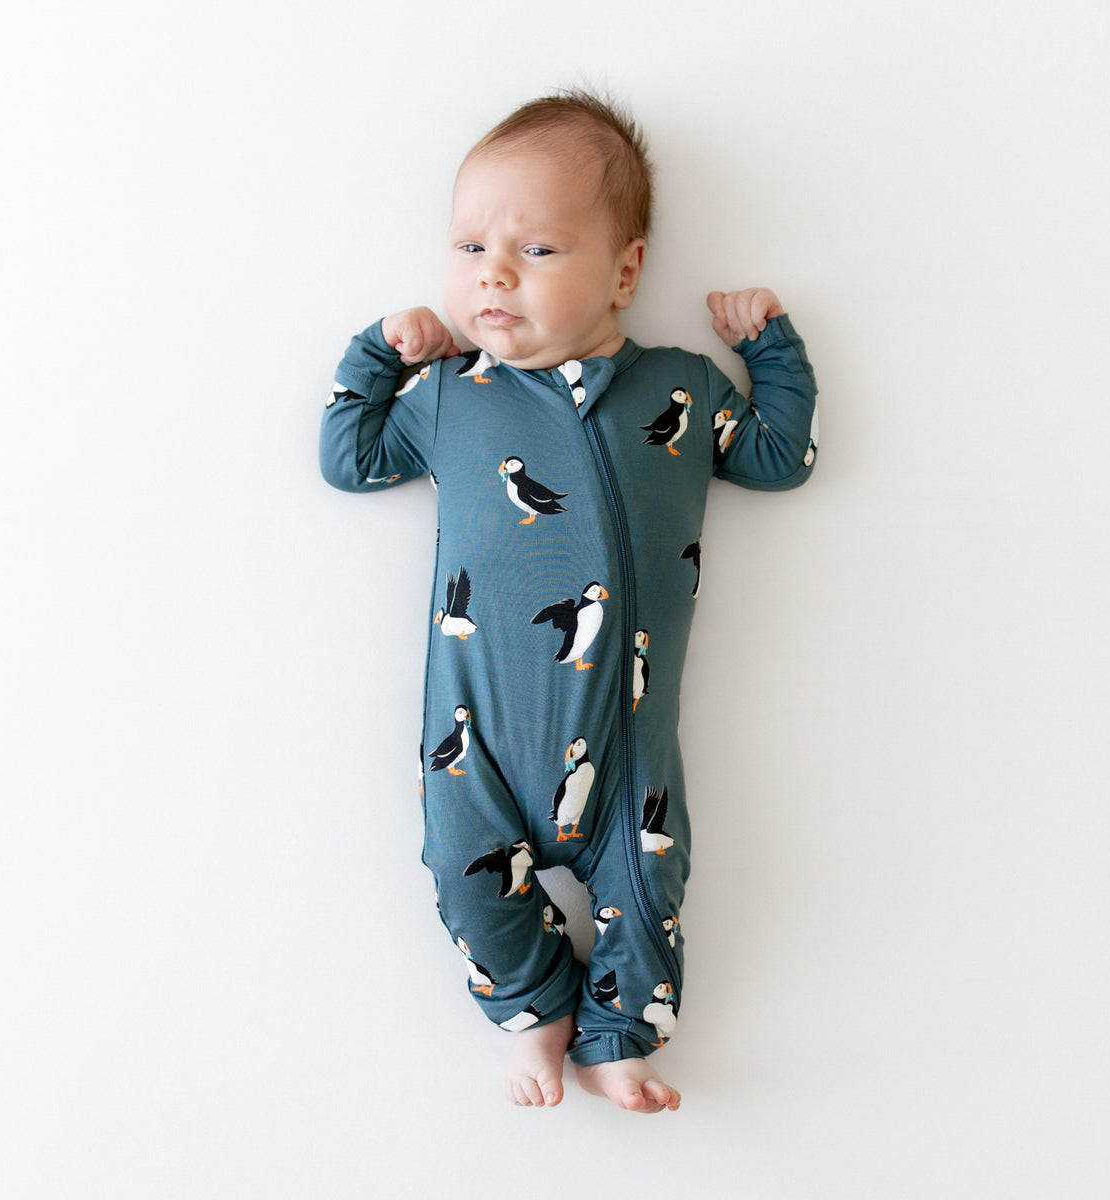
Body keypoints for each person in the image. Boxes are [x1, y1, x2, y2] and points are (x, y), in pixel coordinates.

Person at [320, 89, 818, 1113]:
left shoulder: (679, 389)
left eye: (537, 250)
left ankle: (617, 1036)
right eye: (468, 247)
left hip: (627, 749)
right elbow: (349, 459)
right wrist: (381, 354)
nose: (492, 272)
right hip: (476, 745)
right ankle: (537, 1011)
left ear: (625, 270)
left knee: (648, 892)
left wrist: (769, 347)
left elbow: (779, 458)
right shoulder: (451, 393)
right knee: (461, 872)